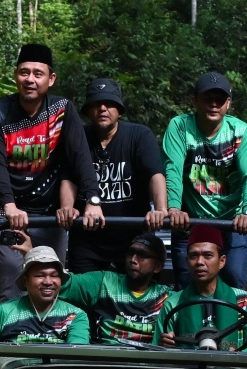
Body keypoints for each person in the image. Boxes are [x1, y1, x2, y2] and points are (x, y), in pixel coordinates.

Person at [0, 44, 104, 305]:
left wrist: (93, 200)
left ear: (51, 79)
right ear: (16, 75)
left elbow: (80, 155)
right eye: (24, 72)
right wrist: (9, 205)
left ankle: (47, 342)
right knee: (10, 286)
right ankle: (8, 343)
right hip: (9, 210)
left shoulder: (62, 109)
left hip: (49, 212)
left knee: (49, 283)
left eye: (38, 74)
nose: (30, 80)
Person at [162, 71, 247, 290]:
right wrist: (174, 208)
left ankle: (234, 323)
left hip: (231, 220)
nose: (213, 105)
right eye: (208, 98)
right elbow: (173, 170)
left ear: (228, 103)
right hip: (190, 220)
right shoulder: (180, 127)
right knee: (186, 282)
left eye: (219, 100)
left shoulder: (240, 131)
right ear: (195, 100)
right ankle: (189, 324)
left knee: (235, 278)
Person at [57, 78, 168, 273]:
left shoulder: (139, 136)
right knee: (83, 295)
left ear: (118, 109)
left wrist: (160, 209)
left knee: (133, 297)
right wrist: (67, 208)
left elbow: (155, 174)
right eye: (96, 104)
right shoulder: (77, 137)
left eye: (108, 104)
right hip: (87, 239)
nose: (102, 108)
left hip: (131, 238)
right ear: (88, 110)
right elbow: (69, 178)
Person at [16, 231, 170, 344]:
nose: (133, 260)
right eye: (131, 253)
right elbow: (58, 283)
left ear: (158, 266)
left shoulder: (166, 297)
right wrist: (32, 255)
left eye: (142, 255)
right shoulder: (104, 282)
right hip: (101, 366)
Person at [0, 247, 89, 369]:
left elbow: (77, 358)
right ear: (26, 280)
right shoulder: (3, 312)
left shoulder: (75, 315)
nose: (48, 282)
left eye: (54, 275)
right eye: (40, 275)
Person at [153, 225, 247, 353]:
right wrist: (164, 346)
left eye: (207, 255)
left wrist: (238, 355)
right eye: (193, 256)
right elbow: (157, 352)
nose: (200, 262)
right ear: (187, 262)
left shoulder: (243, 301)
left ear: (222, 261)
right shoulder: (173, 304)